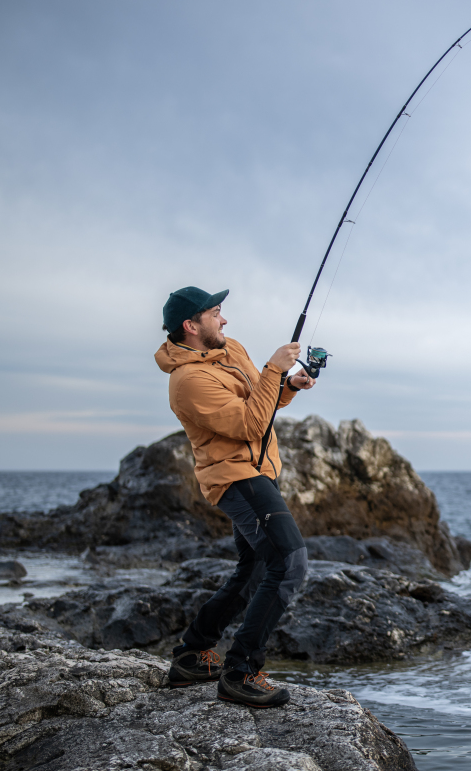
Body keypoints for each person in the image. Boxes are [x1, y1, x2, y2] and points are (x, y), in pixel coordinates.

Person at [154, 286, 317, 708]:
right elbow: (248, 424)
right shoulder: (188, 382)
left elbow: (261, 404)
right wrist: (271, 367)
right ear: (191, 326)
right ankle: (240, 671)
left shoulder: (231, 350)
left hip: (262, 470)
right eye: (215, 314)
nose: (224, 320)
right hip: (236, 479)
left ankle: (193, 653)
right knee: (289, 561)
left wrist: (288, 383)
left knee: (255, 568)